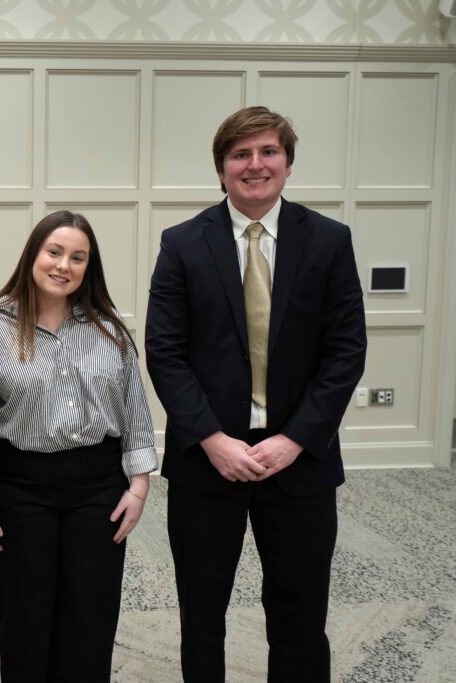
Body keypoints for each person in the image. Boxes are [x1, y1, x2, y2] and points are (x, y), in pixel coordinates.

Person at [145, 106, 367, 682]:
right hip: (207, 461)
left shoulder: (328, 241)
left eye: (268, 152)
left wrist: (295, 439)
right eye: (240, 154)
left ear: (288, 164)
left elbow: (345, 352)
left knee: (300, 614)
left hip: (299, 462)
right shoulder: (182, 244)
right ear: (221, 169)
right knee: (202, 613)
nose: (255, 165)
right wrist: (213, 439)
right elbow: (165, 353)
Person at [0, 210, 158, 682]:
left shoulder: (110, 329)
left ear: (88, 267)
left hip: (97, 489)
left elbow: (135, 415)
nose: (64, 265)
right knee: (24, 616)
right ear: (33, 255)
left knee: (90, 617)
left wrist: (137, 489)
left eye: (78, 257)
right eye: (54, 252)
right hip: (18, 488)